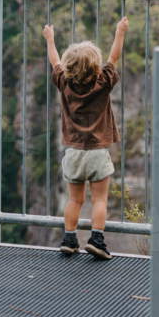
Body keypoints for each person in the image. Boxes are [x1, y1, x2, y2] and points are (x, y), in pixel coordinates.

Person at [44, 17, 129, 260]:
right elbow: (114, 57)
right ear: (96, 68)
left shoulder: (64, 83)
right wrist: (119, 31)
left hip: (73, 153)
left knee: (75, 199)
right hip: (98, 152)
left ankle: (70, 239)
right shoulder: (103, 82)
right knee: (99, 199)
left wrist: (50, 38)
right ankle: (97, 240)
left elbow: (54, 61)